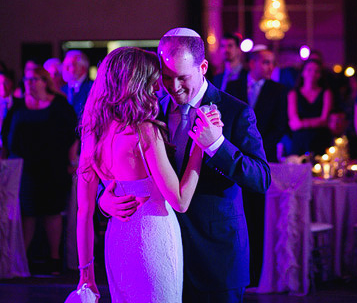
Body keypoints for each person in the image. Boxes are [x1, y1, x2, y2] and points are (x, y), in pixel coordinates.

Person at [99, 27, 270, 303]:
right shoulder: (151, 109)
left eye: (182, 77)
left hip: (216, 256)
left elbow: (261, 179)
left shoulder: (237, 111)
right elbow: (118, 165)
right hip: (160, 254)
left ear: (203, 67)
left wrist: (217, 145)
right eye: (166, 78)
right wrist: (104, 200)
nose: (174, 87)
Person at [76, 46, 215, 300]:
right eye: (154, 80)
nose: (159, 88)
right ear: (138, 83)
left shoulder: (92, 133)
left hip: (117, 239)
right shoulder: (144, 131)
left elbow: (84, 211)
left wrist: (86, 275)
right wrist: (199, 146)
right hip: (153, 239)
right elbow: (181, 200)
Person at [1, 65, 78, 275]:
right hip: (24, 170)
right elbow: (6, 136)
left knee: (51, 213)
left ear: (45, 82)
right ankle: (22, 261)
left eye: (34, 79)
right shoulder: (18, 106)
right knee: (28, 214)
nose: (30, 83)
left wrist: (72, 161)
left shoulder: (59, 105)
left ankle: (54, 259)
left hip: (53, 167)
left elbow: (73, 134)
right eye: (26, 80)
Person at [226, 44, 288, 285]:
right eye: (265, 62)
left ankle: (257, 272)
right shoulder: (233, 86)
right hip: (233, 158)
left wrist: (254, 148)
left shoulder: (278, 90)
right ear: (252, 63)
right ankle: (238, 269)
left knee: (259, 216)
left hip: (261, 160)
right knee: (237, 214)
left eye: (272, 62)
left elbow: (280, 126)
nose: (270, 67)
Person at [287, 57, 333, 157]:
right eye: (309, 70)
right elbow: (294, 123)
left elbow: (324, 120)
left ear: (320, 75)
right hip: (300, 141)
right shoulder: (293, 94)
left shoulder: (326, 93)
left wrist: (303, 123)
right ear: (303, 73)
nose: (312, 73)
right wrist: (315, 122)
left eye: (316, 71)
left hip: (320, 139)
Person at [63, 50, 94, 116]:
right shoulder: (62, 89)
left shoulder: (93, 88)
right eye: (64, 65)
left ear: (83, 67)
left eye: (70, 65)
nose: (65, 69)